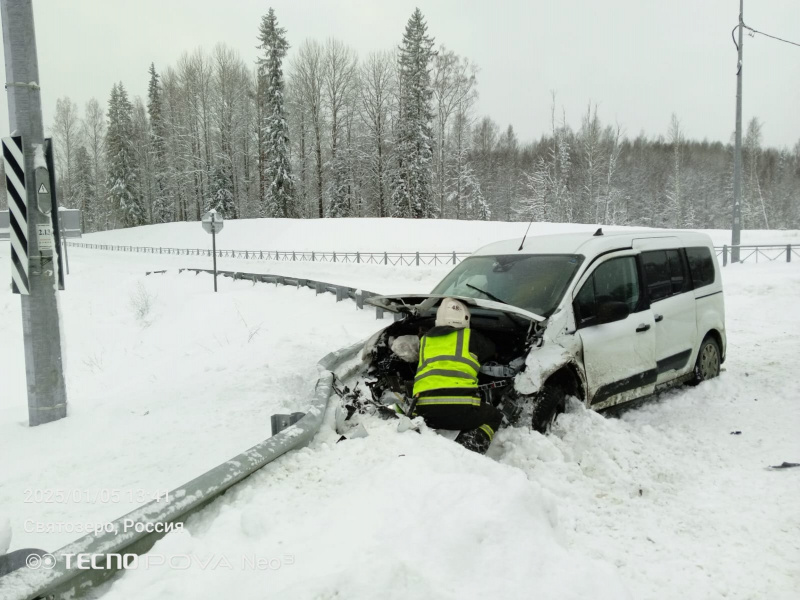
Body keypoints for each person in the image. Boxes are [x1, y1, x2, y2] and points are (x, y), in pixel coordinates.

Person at [411, 298, 503, 454]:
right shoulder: (471, 336)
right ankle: (470, 447)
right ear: (465, 318)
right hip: (461, 409)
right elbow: (492, 350)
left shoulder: (424, 340)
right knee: (494, 417)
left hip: (424, 410)